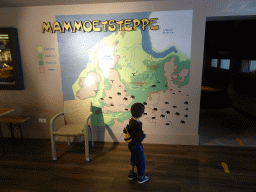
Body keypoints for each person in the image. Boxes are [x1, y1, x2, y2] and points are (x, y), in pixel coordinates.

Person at [127, 102, 149, 184]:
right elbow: (139, 138)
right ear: (141, 114)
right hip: (137, 145)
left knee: (133, 159)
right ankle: (141, 178)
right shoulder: (137, 125)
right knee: (141, 162)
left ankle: (131, 174)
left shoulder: (131, 120)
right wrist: (143, 135)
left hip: (131, 145)